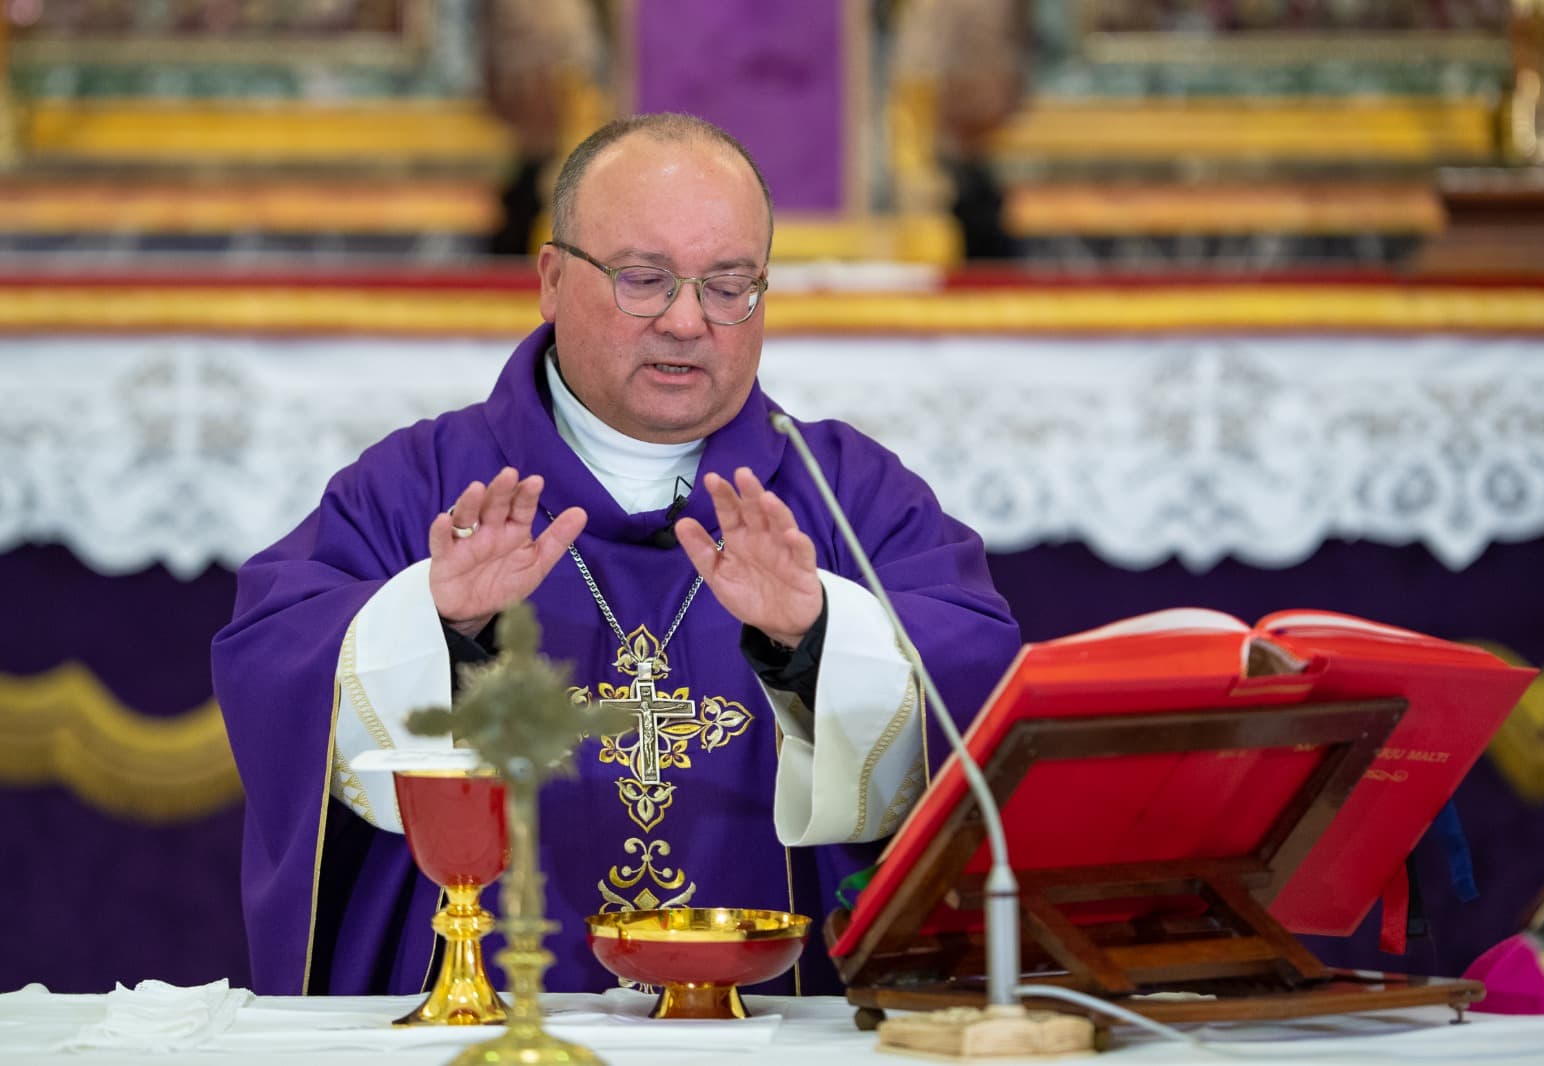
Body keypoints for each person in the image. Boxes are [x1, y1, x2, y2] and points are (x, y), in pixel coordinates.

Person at [212, 112, 1020, 998]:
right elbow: (272, 657)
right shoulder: (422, 485)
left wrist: (822, 638)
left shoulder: (844, 494)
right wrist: (435, 624)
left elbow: (979, 688)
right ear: (552, 281)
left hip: (782, 1027)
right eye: (644, 279)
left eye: (728, 285)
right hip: (486, 1023)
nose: (686, 321)